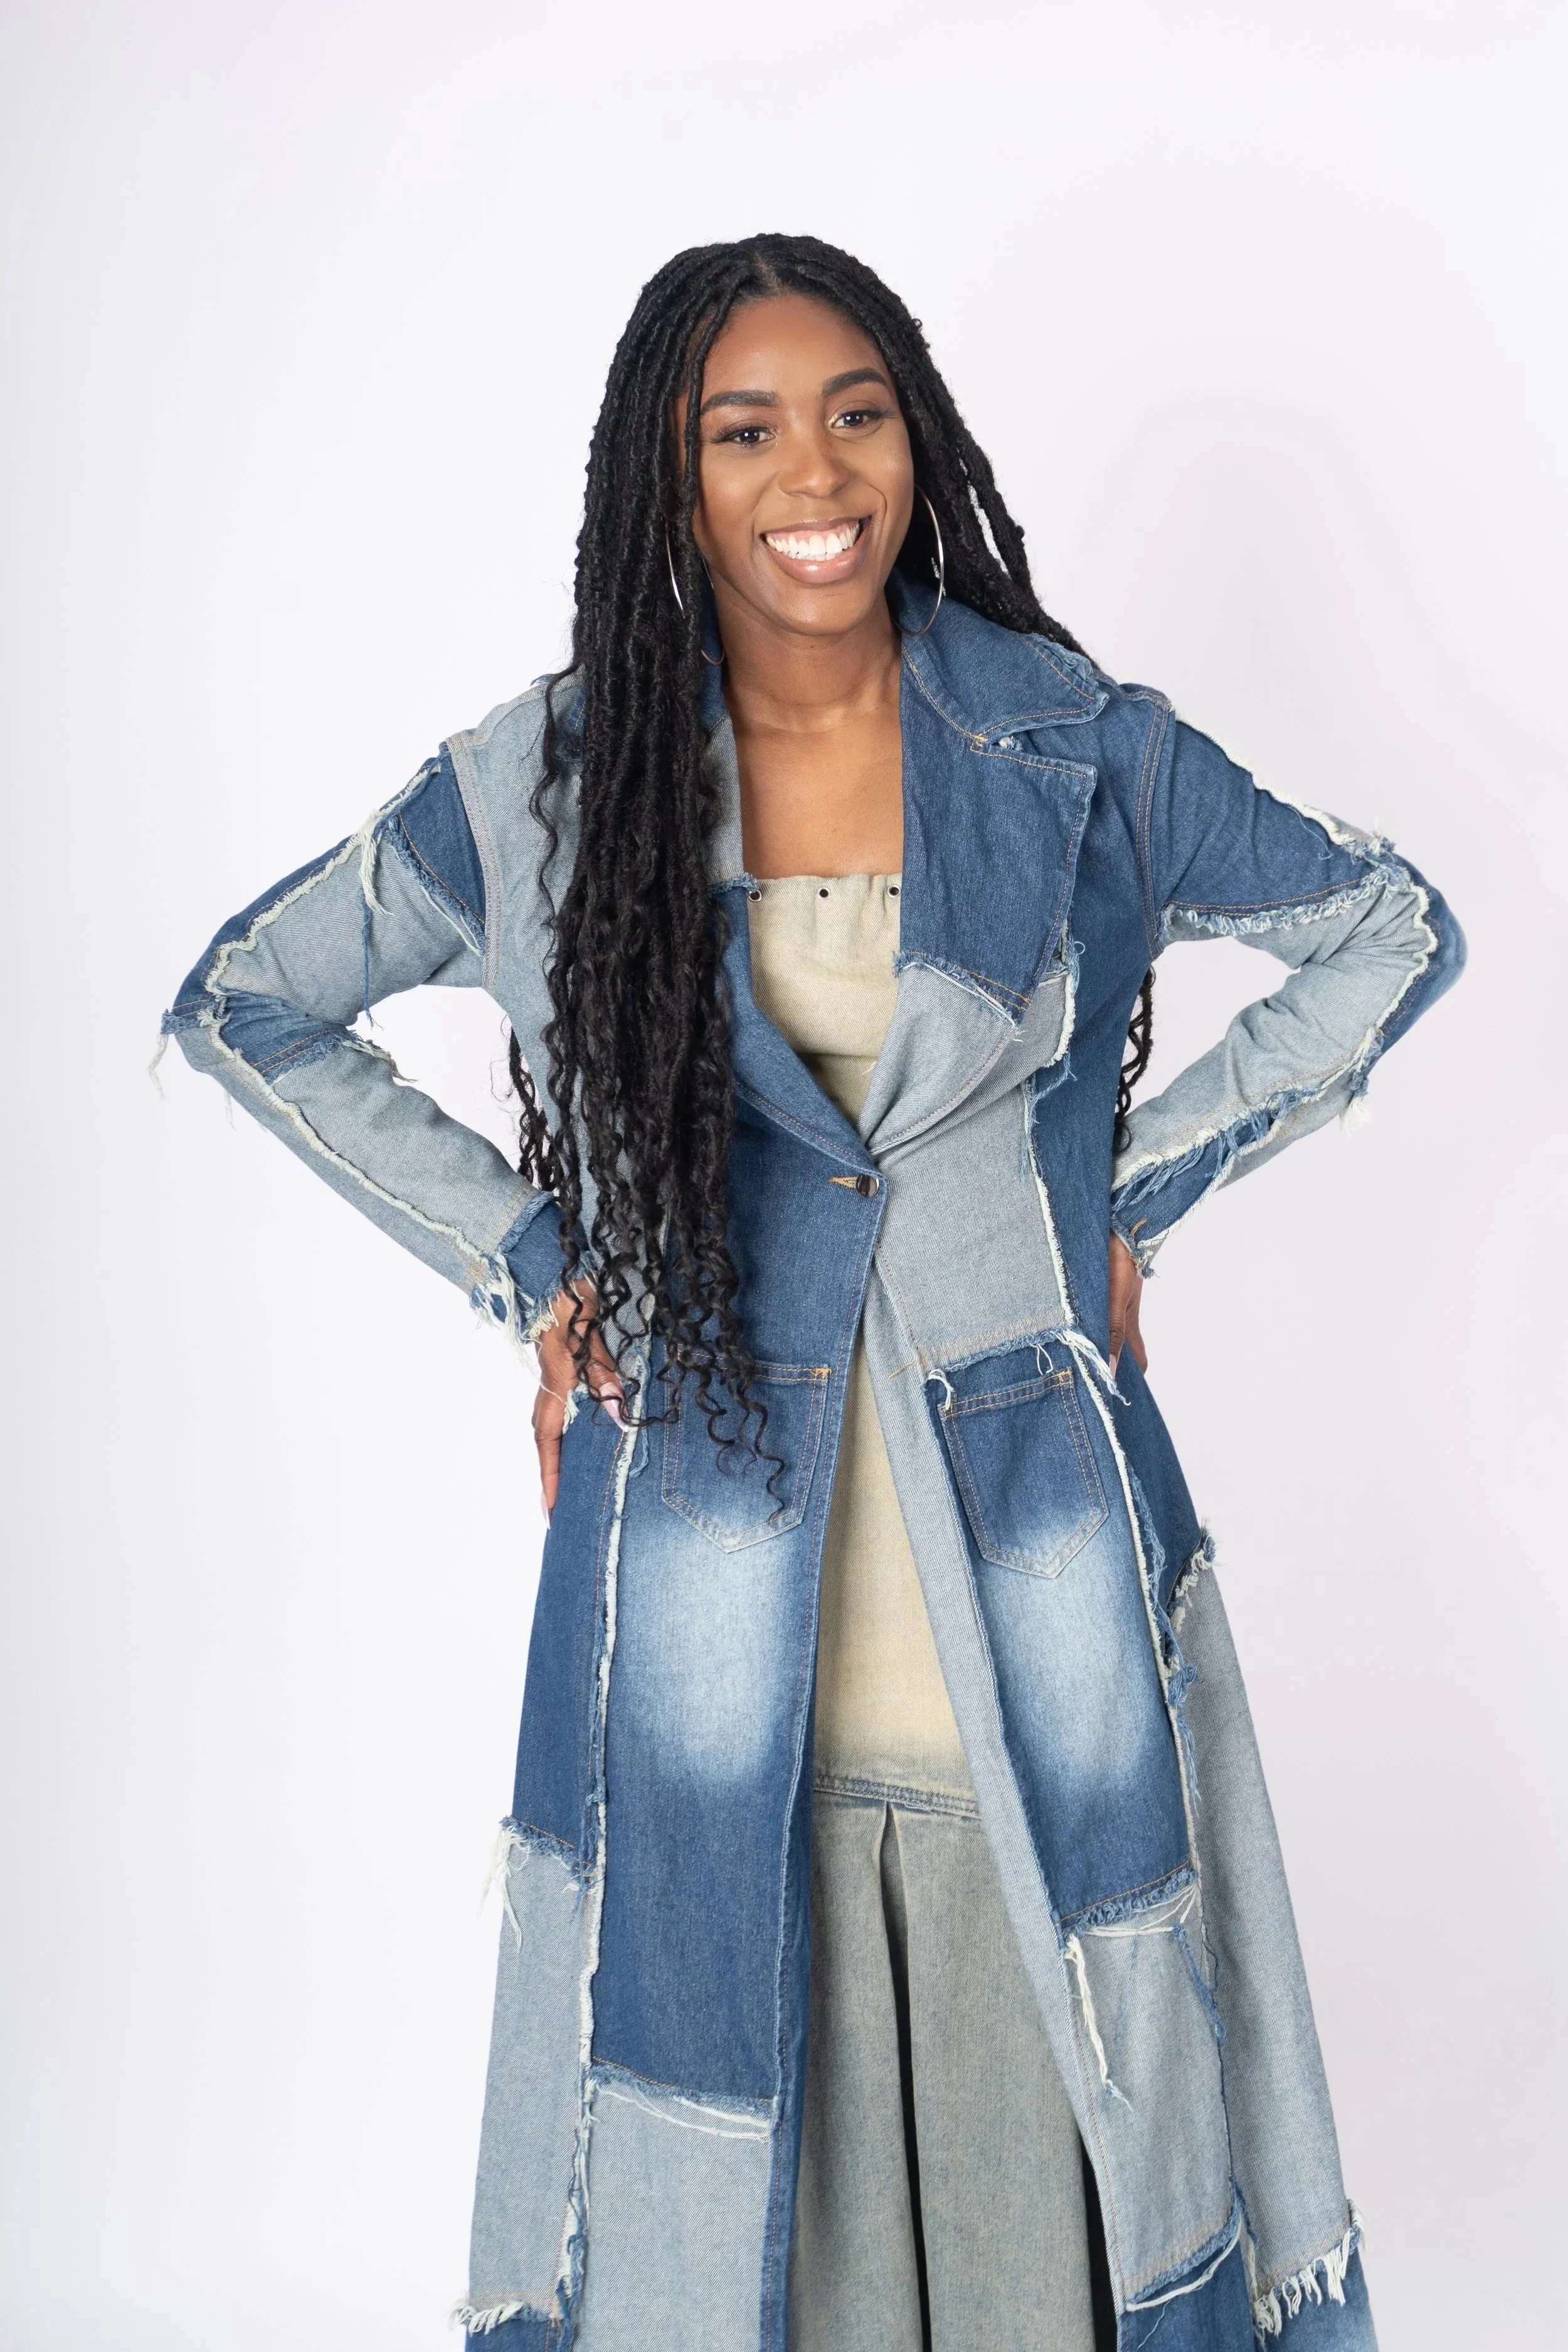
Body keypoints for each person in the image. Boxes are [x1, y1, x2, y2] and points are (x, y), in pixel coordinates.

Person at [164, 234, 1463, 2352]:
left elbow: (1386, 929)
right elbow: (252, 1002)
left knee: (1082, 2087)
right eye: (741, 424)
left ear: (916, 434)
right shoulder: (554, 787)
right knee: (721, 2110)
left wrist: (1140, 1192)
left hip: (1031, 1559)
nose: (814, 467)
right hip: (700, 1581)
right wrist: (532, 1264)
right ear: (666, 478)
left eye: (856, 408)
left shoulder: (1071, 747)